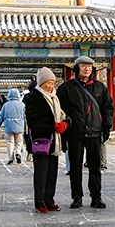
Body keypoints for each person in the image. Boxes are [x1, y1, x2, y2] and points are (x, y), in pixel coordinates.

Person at [57, 56, 114, 209]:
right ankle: (77, 197)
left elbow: (108, 107)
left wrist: (107, 126)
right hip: (75, 133)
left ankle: (96, 197)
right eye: (83, 66)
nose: (87, 69)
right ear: (77, 68)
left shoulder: (99, 87)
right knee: (75, 167)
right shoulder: (66, 88)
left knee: (95, 167)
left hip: (94, 132)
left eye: (89, 66)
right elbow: (60, 111)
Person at [25, 68, 69, 213]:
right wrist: (52, 126)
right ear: (41, 83)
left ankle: (49, 199)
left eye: (52, 83)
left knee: (52, 173)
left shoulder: (55, 98)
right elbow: (33, 120)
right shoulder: (33, 97)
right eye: (48, 83)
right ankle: (40, 202)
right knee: (41, 173)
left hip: (54, 142)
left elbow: (63, 115)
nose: (51, 86)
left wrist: (65, 123)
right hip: (42, 141)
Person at [0, 88, 26, 165]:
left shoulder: (6, 105)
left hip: (8, 125)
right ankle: (18, 153)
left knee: (10, 142)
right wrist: (27, 125)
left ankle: (10, 158)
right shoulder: (22, 105)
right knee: (19, 141)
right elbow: (25, 117)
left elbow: (1, 116)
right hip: (19, 126)